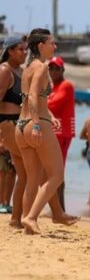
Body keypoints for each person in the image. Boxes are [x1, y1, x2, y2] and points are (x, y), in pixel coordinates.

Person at [15, 29, 68, 235]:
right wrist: (38, 124)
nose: (54, 47)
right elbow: (35, 97)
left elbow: (29, 98)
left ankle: (29, 227)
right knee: (57, 175)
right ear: (40, 46)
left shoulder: (28, 67)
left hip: (21, 125)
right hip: (36, 126)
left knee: (33, 179)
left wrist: (50, 115)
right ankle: (31, 217)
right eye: (51, 43)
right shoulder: (43, 67)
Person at [0, 35, 25, 222]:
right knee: (21, 170)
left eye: (26, 49)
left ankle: (18, 214)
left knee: (22, 171)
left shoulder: (21, 71)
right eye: (20, 49)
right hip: (7, 126)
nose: (25, 53)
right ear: (9, 50)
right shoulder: (4, 71)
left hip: (20, 125)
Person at [47, 55, 75, 210]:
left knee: (58, 172)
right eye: (50, 68)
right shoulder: (51, 87)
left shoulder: (66, 85)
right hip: (52, 133)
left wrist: (40, 102)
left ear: (62, 70)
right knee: (51, 171)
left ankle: (60, 209)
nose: (53, 71)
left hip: (62, 133)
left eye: (56, 68)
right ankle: (56, 209)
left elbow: (53, 104)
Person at [0, 143, 14, 213]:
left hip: (13, 147)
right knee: (3, 174)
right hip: (4, 146)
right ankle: (1, 203)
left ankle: (7, 203)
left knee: (12, 174)